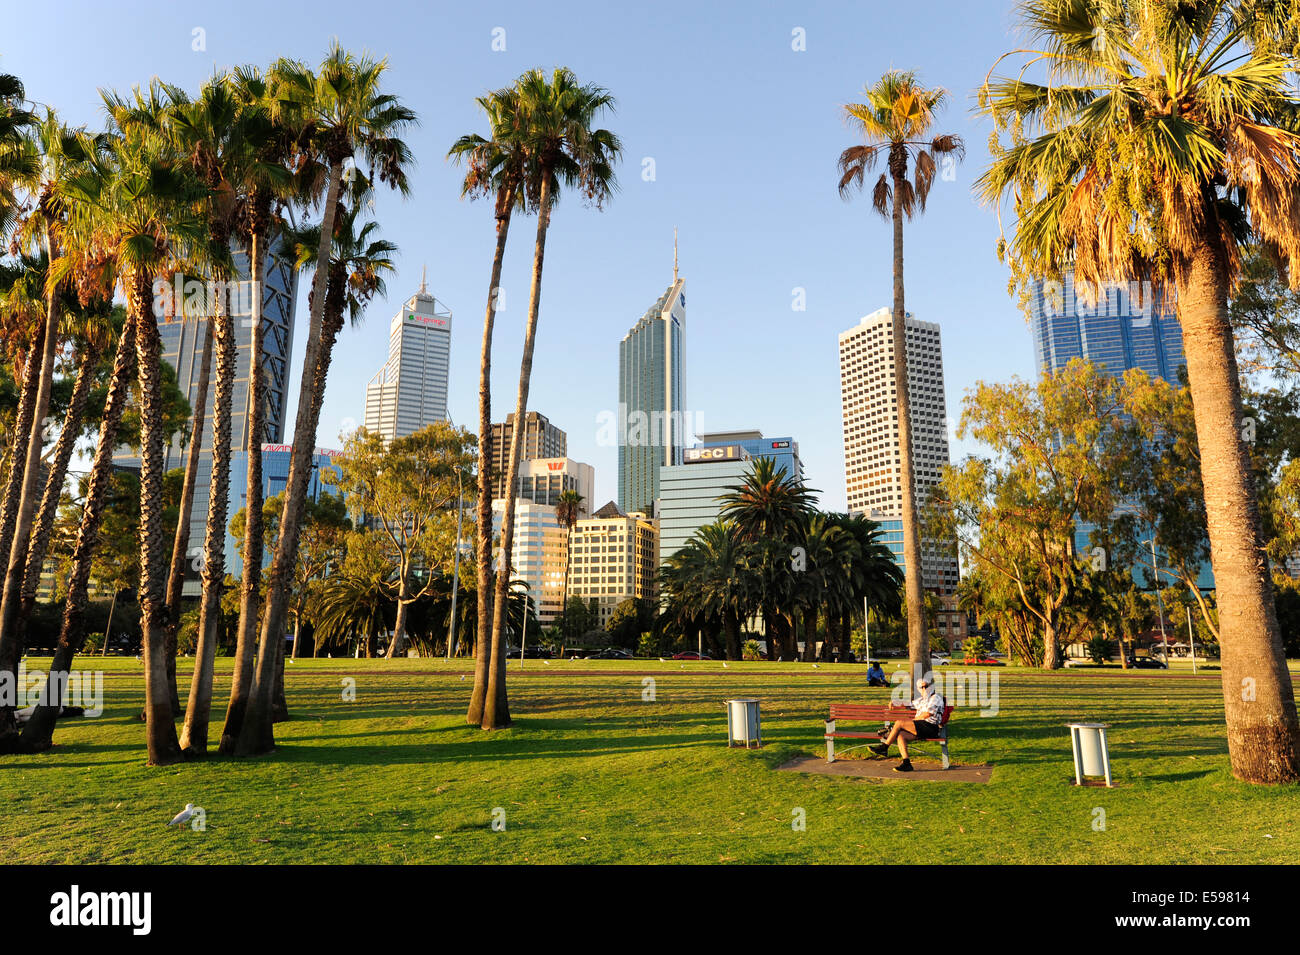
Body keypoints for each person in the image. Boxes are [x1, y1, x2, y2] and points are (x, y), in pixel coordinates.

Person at [870, 676, 945, 772]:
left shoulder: (936, 697)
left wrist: (913, 721)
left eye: (926, 686)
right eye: (921, 687)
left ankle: (884, 747)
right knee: (901, 735)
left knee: (899, 723)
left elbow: (927, 714)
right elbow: (908, 703)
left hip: (931, 727)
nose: (924, 689)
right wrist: (895, 702)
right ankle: (906, 763)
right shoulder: (922, 700)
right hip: (921, 727)